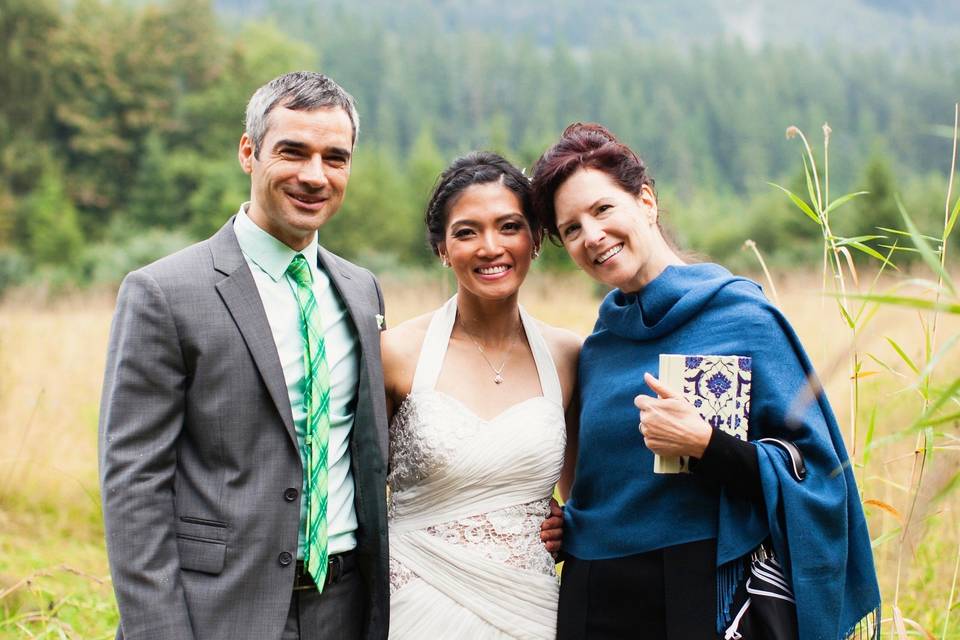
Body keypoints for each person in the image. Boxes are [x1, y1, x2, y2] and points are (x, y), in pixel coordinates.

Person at [530, 123, 881, 640]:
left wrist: (707, 444)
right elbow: (596, 486)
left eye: (602, 210)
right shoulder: (598, 348)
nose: (592, 236)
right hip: (595, 596)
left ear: (645, 201)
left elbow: (818, 473)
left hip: (702, 593)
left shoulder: (742, 318)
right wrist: (568, 526)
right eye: (572, 229)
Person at [98, 71, 390, 640]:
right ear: (248, 152)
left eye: (335, 157)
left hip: (348, 605)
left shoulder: (361, 290)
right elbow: (134, 481)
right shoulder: (164, 292)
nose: (314, 175)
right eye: (293, 152)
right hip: (222, 609)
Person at [380, 152, 580, 638]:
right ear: (443, 249)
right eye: (467, 232)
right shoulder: (395, 353)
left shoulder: (569, 356)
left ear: (534, 240)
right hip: (418, 604)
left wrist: (567, 526)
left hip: (529, 610)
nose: (491, 247)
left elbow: (584, 501)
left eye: (509, 226)